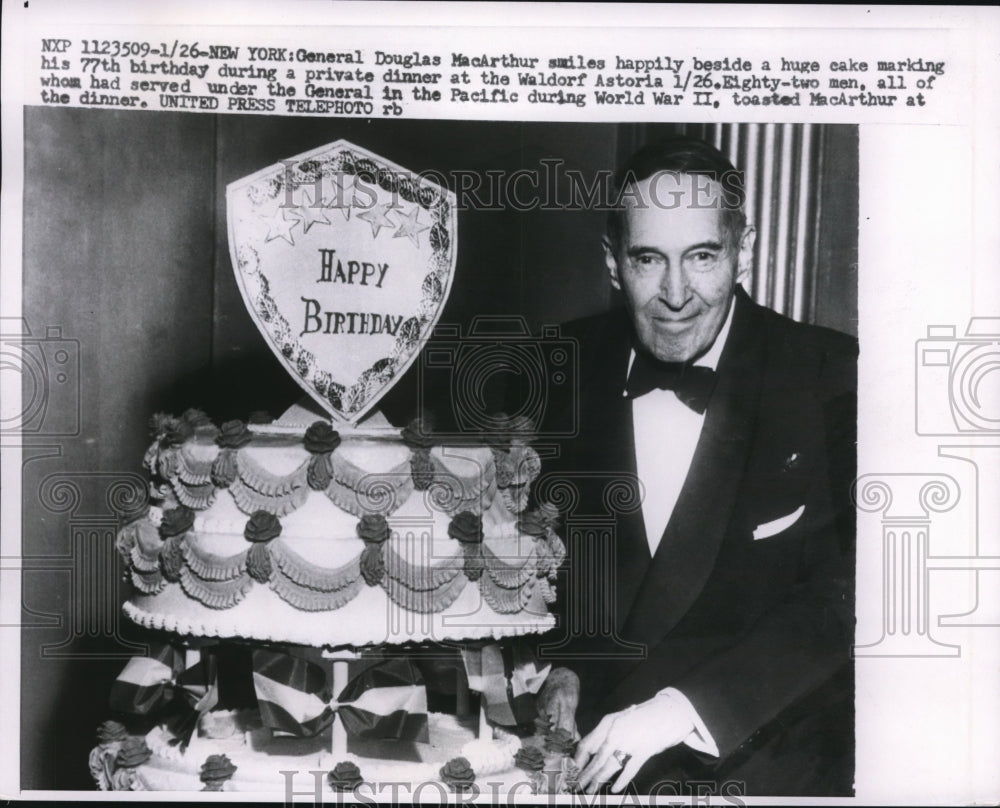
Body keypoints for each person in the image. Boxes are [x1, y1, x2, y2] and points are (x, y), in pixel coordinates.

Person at [532, 136, 857, 797]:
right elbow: (554, 560)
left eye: (702, 256)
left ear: (746, 251)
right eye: (648, 258)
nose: (676, 294)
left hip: (762, 774)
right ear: (613, 263)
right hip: (588, 775)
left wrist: (683, 709)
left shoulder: (831, 375)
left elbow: (844, 600)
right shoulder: (560, 363)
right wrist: (565, 667)